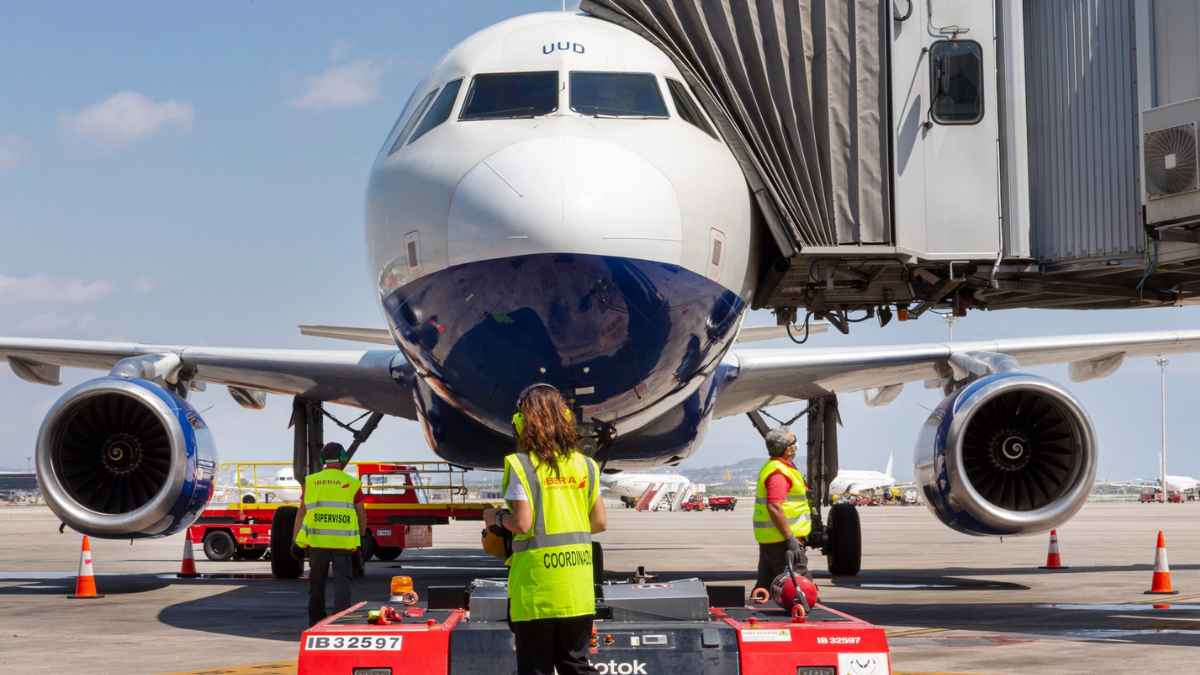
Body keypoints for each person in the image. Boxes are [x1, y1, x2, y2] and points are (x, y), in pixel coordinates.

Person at [484, 384, 606, 675]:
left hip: (536, 590)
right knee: (576, 666)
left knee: (536, 668)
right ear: (567, 420)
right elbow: (599, 523)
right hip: (576, 590)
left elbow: (522, 524)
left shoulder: (522, 465)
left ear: (521, 423)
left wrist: (495, 517)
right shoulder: (587, 465)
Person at [292, 442, 367, 626]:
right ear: (342, 458)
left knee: (316, 584)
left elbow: (302, 512)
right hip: (343, 544)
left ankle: (316, 622)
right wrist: (362, 537)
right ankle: (341, 622)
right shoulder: (352, 483)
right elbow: (361, 513)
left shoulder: (311, 481)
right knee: (342, 584)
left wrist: (295, 540)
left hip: (317, 543)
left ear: (323, 459)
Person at [751, 428, 812, 602]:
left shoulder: (778, 467)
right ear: (787, 449)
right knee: (801, 589)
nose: (796, 445)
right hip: (783, 542)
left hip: (773, 540)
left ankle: (757, 613)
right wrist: (790, 539)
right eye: (794, 442)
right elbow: (775, 507)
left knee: (766, 588)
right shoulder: (778, 473)